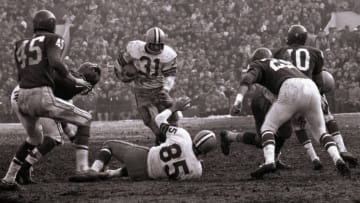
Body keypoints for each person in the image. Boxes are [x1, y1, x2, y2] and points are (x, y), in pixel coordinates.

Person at [0, 10, 93, 191]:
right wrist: (76, 80)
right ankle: (83, 169)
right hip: (39, 94)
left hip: (21, 95)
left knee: (35, 137)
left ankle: (8, 178)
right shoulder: (52, 39)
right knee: (85, 119)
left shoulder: (20, 43)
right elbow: (55, 62)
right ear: (51, 25)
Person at [229, 47, 350, 179]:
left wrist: (238, 101)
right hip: (310, 86)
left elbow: (247, 79)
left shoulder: (259, 64)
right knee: (321, 132)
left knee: (268, 127)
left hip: (290, 87)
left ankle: (269, 161)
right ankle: (337, 159)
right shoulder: (285, 64)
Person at [68, 97, 217, 182]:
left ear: (196, 138)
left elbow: (159, 119)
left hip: (141, 158)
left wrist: (174, 108)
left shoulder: (183, 136)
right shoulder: (197, 171)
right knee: (147, 167)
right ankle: (110, 174)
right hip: (145, 176)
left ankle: (93, 171)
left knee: (109, 145)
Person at [273, 24, 357, 168]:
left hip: (289, 94)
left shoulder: (279, 52)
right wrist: (320, 96)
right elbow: (318, 80)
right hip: (308, 89)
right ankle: (342, 149)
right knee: (328, 118)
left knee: (297, 126)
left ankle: (314, 158)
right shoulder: (316, 52)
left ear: (289, 37)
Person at [12, 62, 101, 185]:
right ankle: (24, 168)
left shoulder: (69, 78)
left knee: (36, 138)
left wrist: (70, 135)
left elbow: (59, 112)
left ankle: (15, 173)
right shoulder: (73, 86)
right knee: (54, 138)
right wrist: (71, 135)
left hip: (20, 93)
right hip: (34, 95)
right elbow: (59, 114)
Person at [222, 84, 323, 170]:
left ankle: (275, 159)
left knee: (285, 131)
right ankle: (229, 136)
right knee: (262, 140)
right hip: (263, 101)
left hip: (275, 100)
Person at [114, 27, 179, 145]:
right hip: (142, 90)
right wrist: (120, 74)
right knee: (149, 119)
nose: (156, 48)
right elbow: (120, 62)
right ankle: (160, 138)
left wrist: (166, 89)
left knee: (172, 116)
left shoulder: (168, 54)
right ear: (147, 42)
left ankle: (176, 138)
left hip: (159, 88)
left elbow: (170, 75)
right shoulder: (136, 48)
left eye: (159, 45)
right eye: (153, 45)